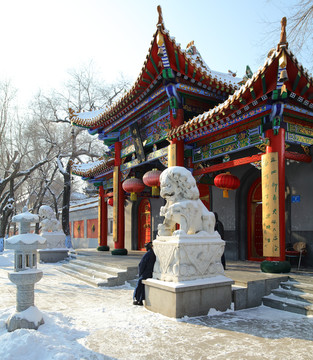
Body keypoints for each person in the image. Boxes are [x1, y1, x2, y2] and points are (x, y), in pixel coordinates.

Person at [133, 241, 156, 305]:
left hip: (146, 273)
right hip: (150, 272)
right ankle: (140, 299)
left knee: (140, 285)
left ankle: (138, 299)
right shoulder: (153, 253)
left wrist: (140, 273)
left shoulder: (148, 254)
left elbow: (141, 265)